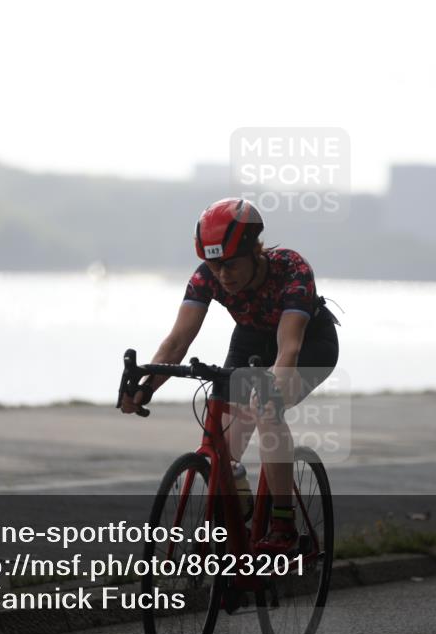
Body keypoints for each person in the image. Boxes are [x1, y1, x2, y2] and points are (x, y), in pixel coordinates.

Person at [119, 198, 340, 553]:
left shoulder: (291, 269)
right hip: (252, 337)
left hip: (308, 342)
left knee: (266, 407)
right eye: (214, 265)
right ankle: (235, 508)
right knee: (226, 437)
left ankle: (283, 523)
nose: (223, 274)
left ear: (255, 250)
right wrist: (146, 388)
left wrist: (274, 389)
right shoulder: (207, 277)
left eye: (231, 264)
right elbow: (177, 341)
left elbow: (289, 348)